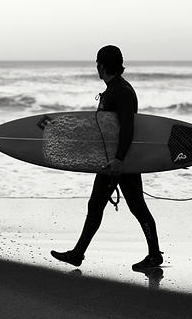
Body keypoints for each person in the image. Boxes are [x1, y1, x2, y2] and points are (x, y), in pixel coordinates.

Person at [51, 45, 163, 271]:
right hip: (113, 160)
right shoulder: (114, 89)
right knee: (110, 206)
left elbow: (127, 128)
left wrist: (120, 160)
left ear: (102, 64)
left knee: (131, 207)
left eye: (97, 63)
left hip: (118, 162)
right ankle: (78, 254)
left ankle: (152, 255)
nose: (96, 67)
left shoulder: (120, 91)